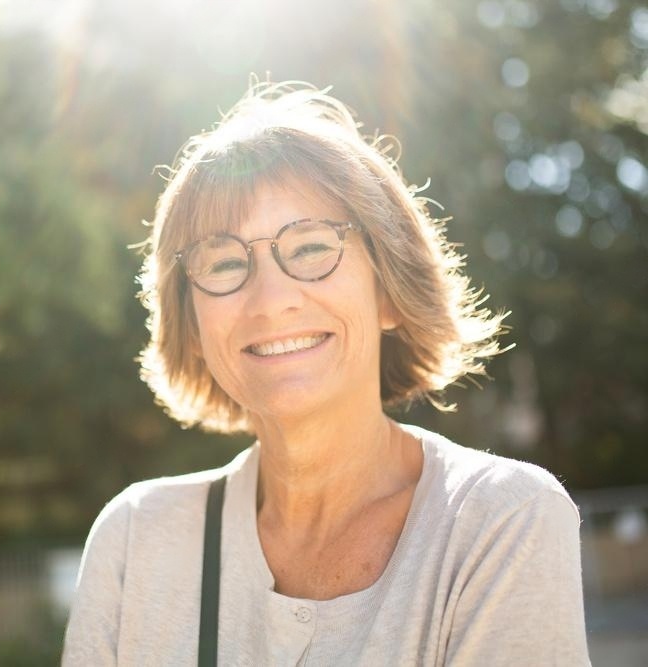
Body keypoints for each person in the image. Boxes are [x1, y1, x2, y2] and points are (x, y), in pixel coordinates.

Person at [62, 81, 589, 665]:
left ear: (389, 291)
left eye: (312, 248)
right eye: (226, 261)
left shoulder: (498, 521)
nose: (270, 300)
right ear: (192, 322)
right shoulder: (134, 542)